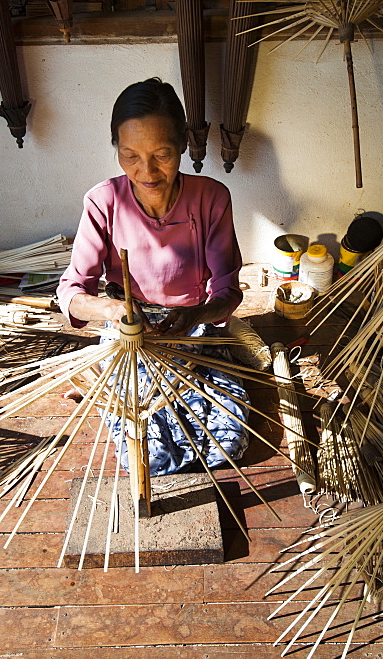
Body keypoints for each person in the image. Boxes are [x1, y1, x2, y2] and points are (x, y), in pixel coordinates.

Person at [56, 77, 249, 476]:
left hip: (194, 328)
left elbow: (228, 292)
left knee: (227, 442)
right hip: (129, 334)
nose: (146, 171)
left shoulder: (211, 198)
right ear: (116, 150)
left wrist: (196, 316)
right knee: (146, 452)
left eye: (162, 154)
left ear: (182, 145)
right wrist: (112, 311)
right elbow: (72, 293)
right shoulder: (103, 201)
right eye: (129, 155)